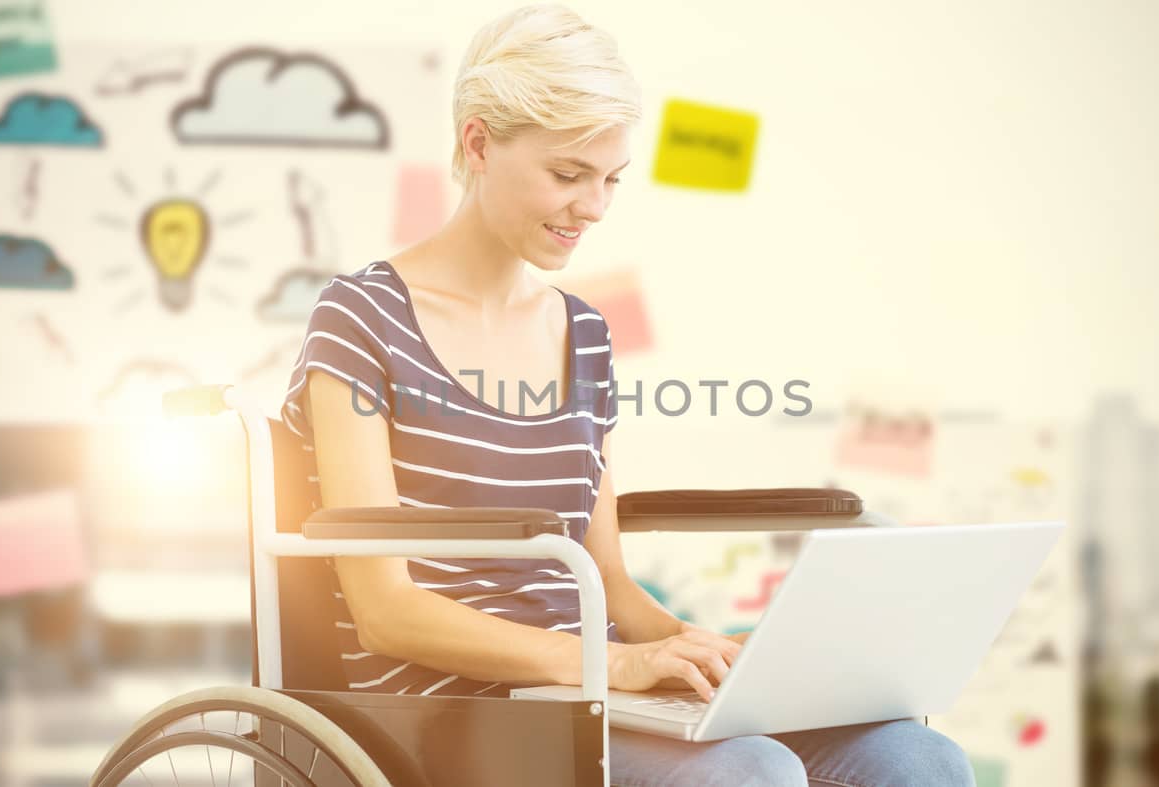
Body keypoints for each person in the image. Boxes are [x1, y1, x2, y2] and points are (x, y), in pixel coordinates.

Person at [281, 5, 975, 785]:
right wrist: (613, 661)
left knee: (917, 756)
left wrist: (707, 656)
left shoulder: (584, 332)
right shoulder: (360, 315)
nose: (595, 206)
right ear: (478, 143)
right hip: (458, 710)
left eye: (610, 179)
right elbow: (384, 609)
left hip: (593, 684)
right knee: (751, 771)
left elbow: (608, 583)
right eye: (568, 175)